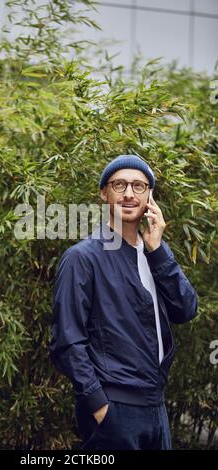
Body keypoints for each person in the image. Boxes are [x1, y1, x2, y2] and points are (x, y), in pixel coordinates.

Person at [49, 154, 198, 450]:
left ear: (150, 197)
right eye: (120, 184)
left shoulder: (154, 254)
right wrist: (99, 405)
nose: (129, 193)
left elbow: (186, 310)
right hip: (114, 410)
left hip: (156, 406)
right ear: (104, 193)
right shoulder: (83, 258)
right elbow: (67, 342)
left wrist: (159, 252)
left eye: (139, 186)